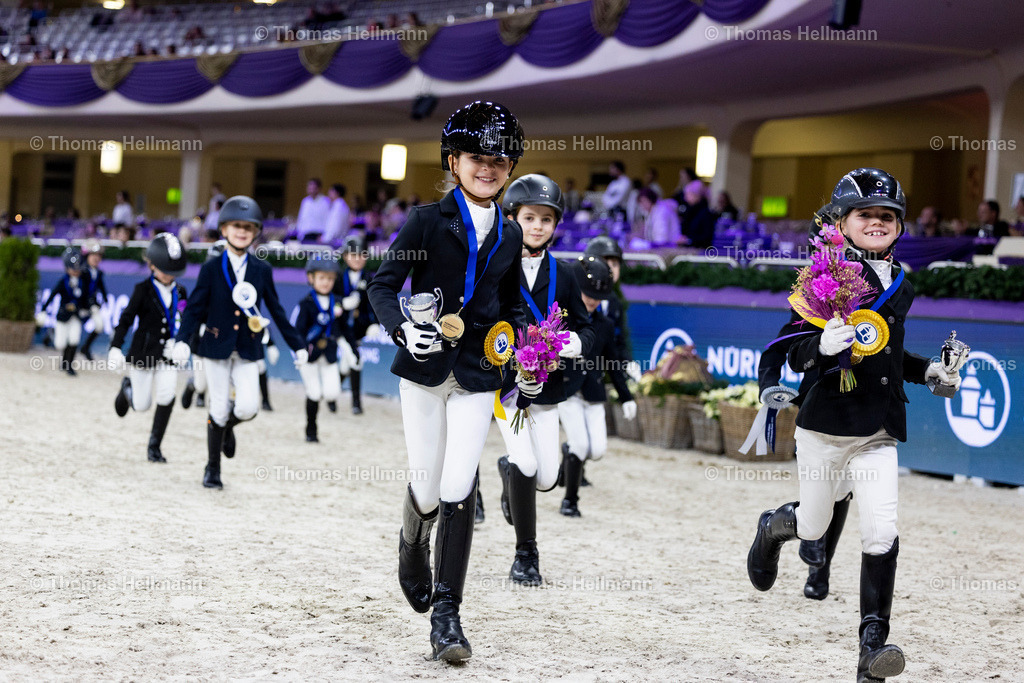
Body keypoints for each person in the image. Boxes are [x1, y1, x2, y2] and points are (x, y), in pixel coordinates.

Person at [746, 168, 965, 683]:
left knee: (882, 530)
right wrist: (819, 348)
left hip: (878, 431)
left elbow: (886, 352)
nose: (877, 222)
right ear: (842, 222)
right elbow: (786, 347)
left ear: (899, 226)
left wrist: (929, 371)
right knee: (815, 526)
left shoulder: (901, 284)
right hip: (824, 427)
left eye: (887, 216)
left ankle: (872, 649)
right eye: (866, 214)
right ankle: (772, 528)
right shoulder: (825, 276)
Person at [366, 101, 528, 662]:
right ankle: (412, 540)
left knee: (461, 484)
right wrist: (401, 331)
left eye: (500, 159)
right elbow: (382, 287)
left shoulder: (511, 235)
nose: (490, 167)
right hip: (424, 368)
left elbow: (510, 306)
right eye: (478, 157)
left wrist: (528, 344)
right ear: (453, 161)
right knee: (428, 484)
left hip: (479, 374)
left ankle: (447, 616)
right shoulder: (425, 221)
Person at [493, 174, 593, 585]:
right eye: (529, 218)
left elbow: (587, 329)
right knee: (529, 462)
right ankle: (526, 554)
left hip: (548, 391)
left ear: (555, 226)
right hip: (506, 389)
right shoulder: (495, 265)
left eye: (546, 220)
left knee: (548, 478)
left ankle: (508, 473)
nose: (537, 226)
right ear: (513, 218)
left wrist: (573, 343)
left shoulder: (565, 275)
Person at [172, 196, 307, 489]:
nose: (242, 231)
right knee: (218, 407)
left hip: (247, 347)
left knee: (248, 407)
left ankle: (226, 429)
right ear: (223, 229)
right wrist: (183, 340)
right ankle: (212, 468)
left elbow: (277, 310)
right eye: (236, 226)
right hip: (215, 347)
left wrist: (297, 345)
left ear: (256, 231)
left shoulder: (262, 270)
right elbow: (195, 308)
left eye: (248, 227)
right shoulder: (210, 268)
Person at [558, 255, 636, 517]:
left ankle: (568, 455)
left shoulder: (604, 325)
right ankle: (570, 500)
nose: (591, 300)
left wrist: (626, 397)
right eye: (587, 294)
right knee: (580, 445)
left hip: (592, 393)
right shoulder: (562, 317)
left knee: (598, 450)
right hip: (567, 391)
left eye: (597, 297)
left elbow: (612, 363)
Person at [109, 233, 189, 463]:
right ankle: (128, 388)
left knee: (167, 395)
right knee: (142, 405)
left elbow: (185, 320)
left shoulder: (181, 292)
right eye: (163, 269)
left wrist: (183, 343)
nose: (168, 275)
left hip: (169, 356)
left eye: (172, 270)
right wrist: (115, 346)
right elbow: (126, 319)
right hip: (144, 353)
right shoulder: (142, 289)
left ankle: (155, 445)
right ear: (151, 264)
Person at [292, 258, 343, 442]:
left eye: (330, 278)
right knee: (314, 392)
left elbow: (343, 329)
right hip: (309, 355)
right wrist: (298, 353)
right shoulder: (305, 304)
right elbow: (295, 331)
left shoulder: (337, 301)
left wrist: (351, 349)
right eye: (321, 278)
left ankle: (328, 402)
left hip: (329, 354)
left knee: (332, 392)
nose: (326, 282)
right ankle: (311, 428)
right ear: (311, 278)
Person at [333, 233, 379, 415]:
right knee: (355, 360)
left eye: (361, 254)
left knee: (349, 363)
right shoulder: (337, 276)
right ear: (345, 256)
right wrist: (340, 304)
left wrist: (374, 323)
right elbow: (329, 297)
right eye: (353, 255)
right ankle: (355, 402)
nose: (357, 259)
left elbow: (373, 304)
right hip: (340, 328)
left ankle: (332, 393)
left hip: (358, 328)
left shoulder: (369, 278)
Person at [38, 248, 89, 376]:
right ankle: (51, 334)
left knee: (74, 340)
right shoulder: (63, 282)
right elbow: (52, 295)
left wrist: (87, 307)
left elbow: (86, 297)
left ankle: (68, 364)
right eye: (73, 269)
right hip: (63, 315)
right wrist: (43, 310)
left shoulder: (83, 282)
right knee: (60, 344)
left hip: (76, 316)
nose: (76, 271)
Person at [79, 240, 109, 361]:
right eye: (93, 255)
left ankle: (86, 347)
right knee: (72, 327)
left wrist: (105, 299)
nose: (96, 258)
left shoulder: (99, 273)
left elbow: (101, 286)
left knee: (99, 325)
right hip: (81, 305)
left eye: (98, 256)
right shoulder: (81, 271)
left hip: (92, 305)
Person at [680, 180, 716, 248]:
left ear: (696, 195)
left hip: (701, 253)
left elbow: (707, 237)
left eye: (688, 194)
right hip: (691, 250)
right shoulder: (690, 211)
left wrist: (688, 240)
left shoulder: (705, 213)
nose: (685, 198)